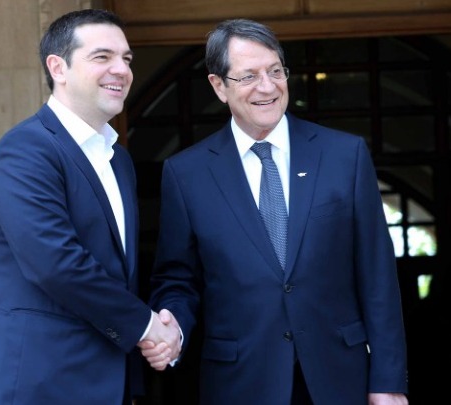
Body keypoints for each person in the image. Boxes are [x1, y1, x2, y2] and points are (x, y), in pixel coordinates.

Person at [142, 18, 409, 405]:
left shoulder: (344, 155)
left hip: (339, 377)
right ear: (219, 86)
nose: (267, 87)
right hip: (241, 382)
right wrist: (173, 328)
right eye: (249, 76)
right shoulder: (186, 174)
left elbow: (377, 274)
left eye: (275, 71)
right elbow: (178, 278)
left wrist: (388, 380)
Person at [0, 9, 180, 405]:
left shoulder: (118, 159)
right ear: (58, 68)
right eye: (102, 57)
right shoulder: (26, 149)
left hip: (107, 381)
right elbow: (55, 263)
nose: (121, 69)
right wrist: (147, 326)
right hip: (36, 381)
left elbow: (119, 273)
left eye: (126, 58)